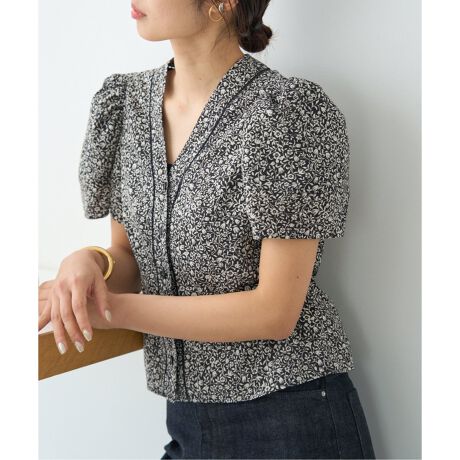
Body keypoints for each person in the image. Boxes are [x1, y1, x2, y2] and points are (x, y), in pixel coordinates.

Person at [38, 0, 377, 458]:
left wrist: (112, 309)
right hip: (187, 419)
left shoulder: (284, 113)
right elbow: (130, 256)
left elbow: (275, 312)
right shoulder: (125, 105)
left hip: (290, 417)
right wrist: (90, 263)